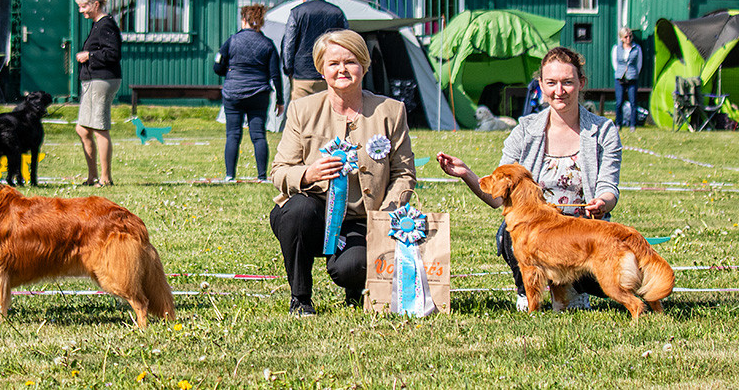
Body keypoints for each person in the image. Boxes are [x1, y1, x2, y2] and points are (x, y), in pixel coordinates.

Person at [437, 46, 621, 312]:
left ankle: (574, 290)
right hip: (536, 229)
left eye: (568, 82)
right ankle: (528, 291)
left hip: (582, 229)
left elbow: (608, 186)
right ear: (541, 86)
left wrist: (602, 201)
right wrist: (466, 173)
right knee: (509, 235)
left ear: (581, 83)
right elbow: (497, 196)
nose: (560, 91)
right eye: (552, 83)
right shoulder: (525, 130)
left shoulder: (603, 131)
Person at [270, 29, 417, 316]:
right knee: (297, 211)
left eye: (350, 62)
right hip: (315, 214)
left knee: (352, 267)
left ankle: (355, 285)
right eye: (333, 63)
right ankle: (300, 298)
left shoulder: (391, 111)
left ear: (364, 65)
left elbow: (404, 174)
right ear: (321, 70)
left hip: (365, 218)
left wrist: (386, 214)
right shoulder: (302, 109)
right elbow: (279, 171)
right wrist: (309, 174)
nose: (342, 70)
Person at [213, 4, 285, 182]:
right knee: (259, 135)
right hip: (259, 93)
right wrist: (280, 100)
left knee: (233, 135)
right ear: (261, 22)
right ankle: (262, 176)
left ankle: (230, 176)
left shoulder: (232, 41)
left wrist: (229, 73)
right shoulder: (268, 44)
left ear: (243, 19)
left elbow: (217, 67)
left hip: (233, 93)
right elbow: (275, 74)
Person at [74, 0, 122, 187]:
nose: (81, 11)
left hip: (101, 81)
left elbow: (113, 53)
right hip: (93, 80)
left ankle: (106, 178)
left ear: (96, 4)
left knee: (99, 128)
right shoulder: (97, 24)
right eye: (79, 7)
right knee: (82, 129)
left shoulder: (105, 24)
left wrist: (89, 55)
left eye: (84, 6)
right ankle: (93, 176)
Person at [280, 0, 348, 100]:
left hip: (302, 76)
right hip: (329, 75)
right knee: (327, 114)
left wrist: (289, 69)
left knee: (301, 115)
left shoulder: (296, 12)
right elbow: (347, 43)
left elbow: (288, 45)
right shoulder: (337, 12)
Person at [612, 27, 643, 130]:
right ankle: (618, 123)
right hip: (620, 78)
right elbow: (615, 63)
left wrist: (632, 73)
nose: (628, 38)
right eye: (626, 37)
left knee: (633, 102)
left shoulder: (637, 48)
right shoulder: (616, 48)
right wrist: (621, 72)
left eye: (630, 36)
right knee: (619, 102)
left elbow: (639, 63)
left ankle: (633, 124)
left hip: (632, 77)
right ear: (622, 38)